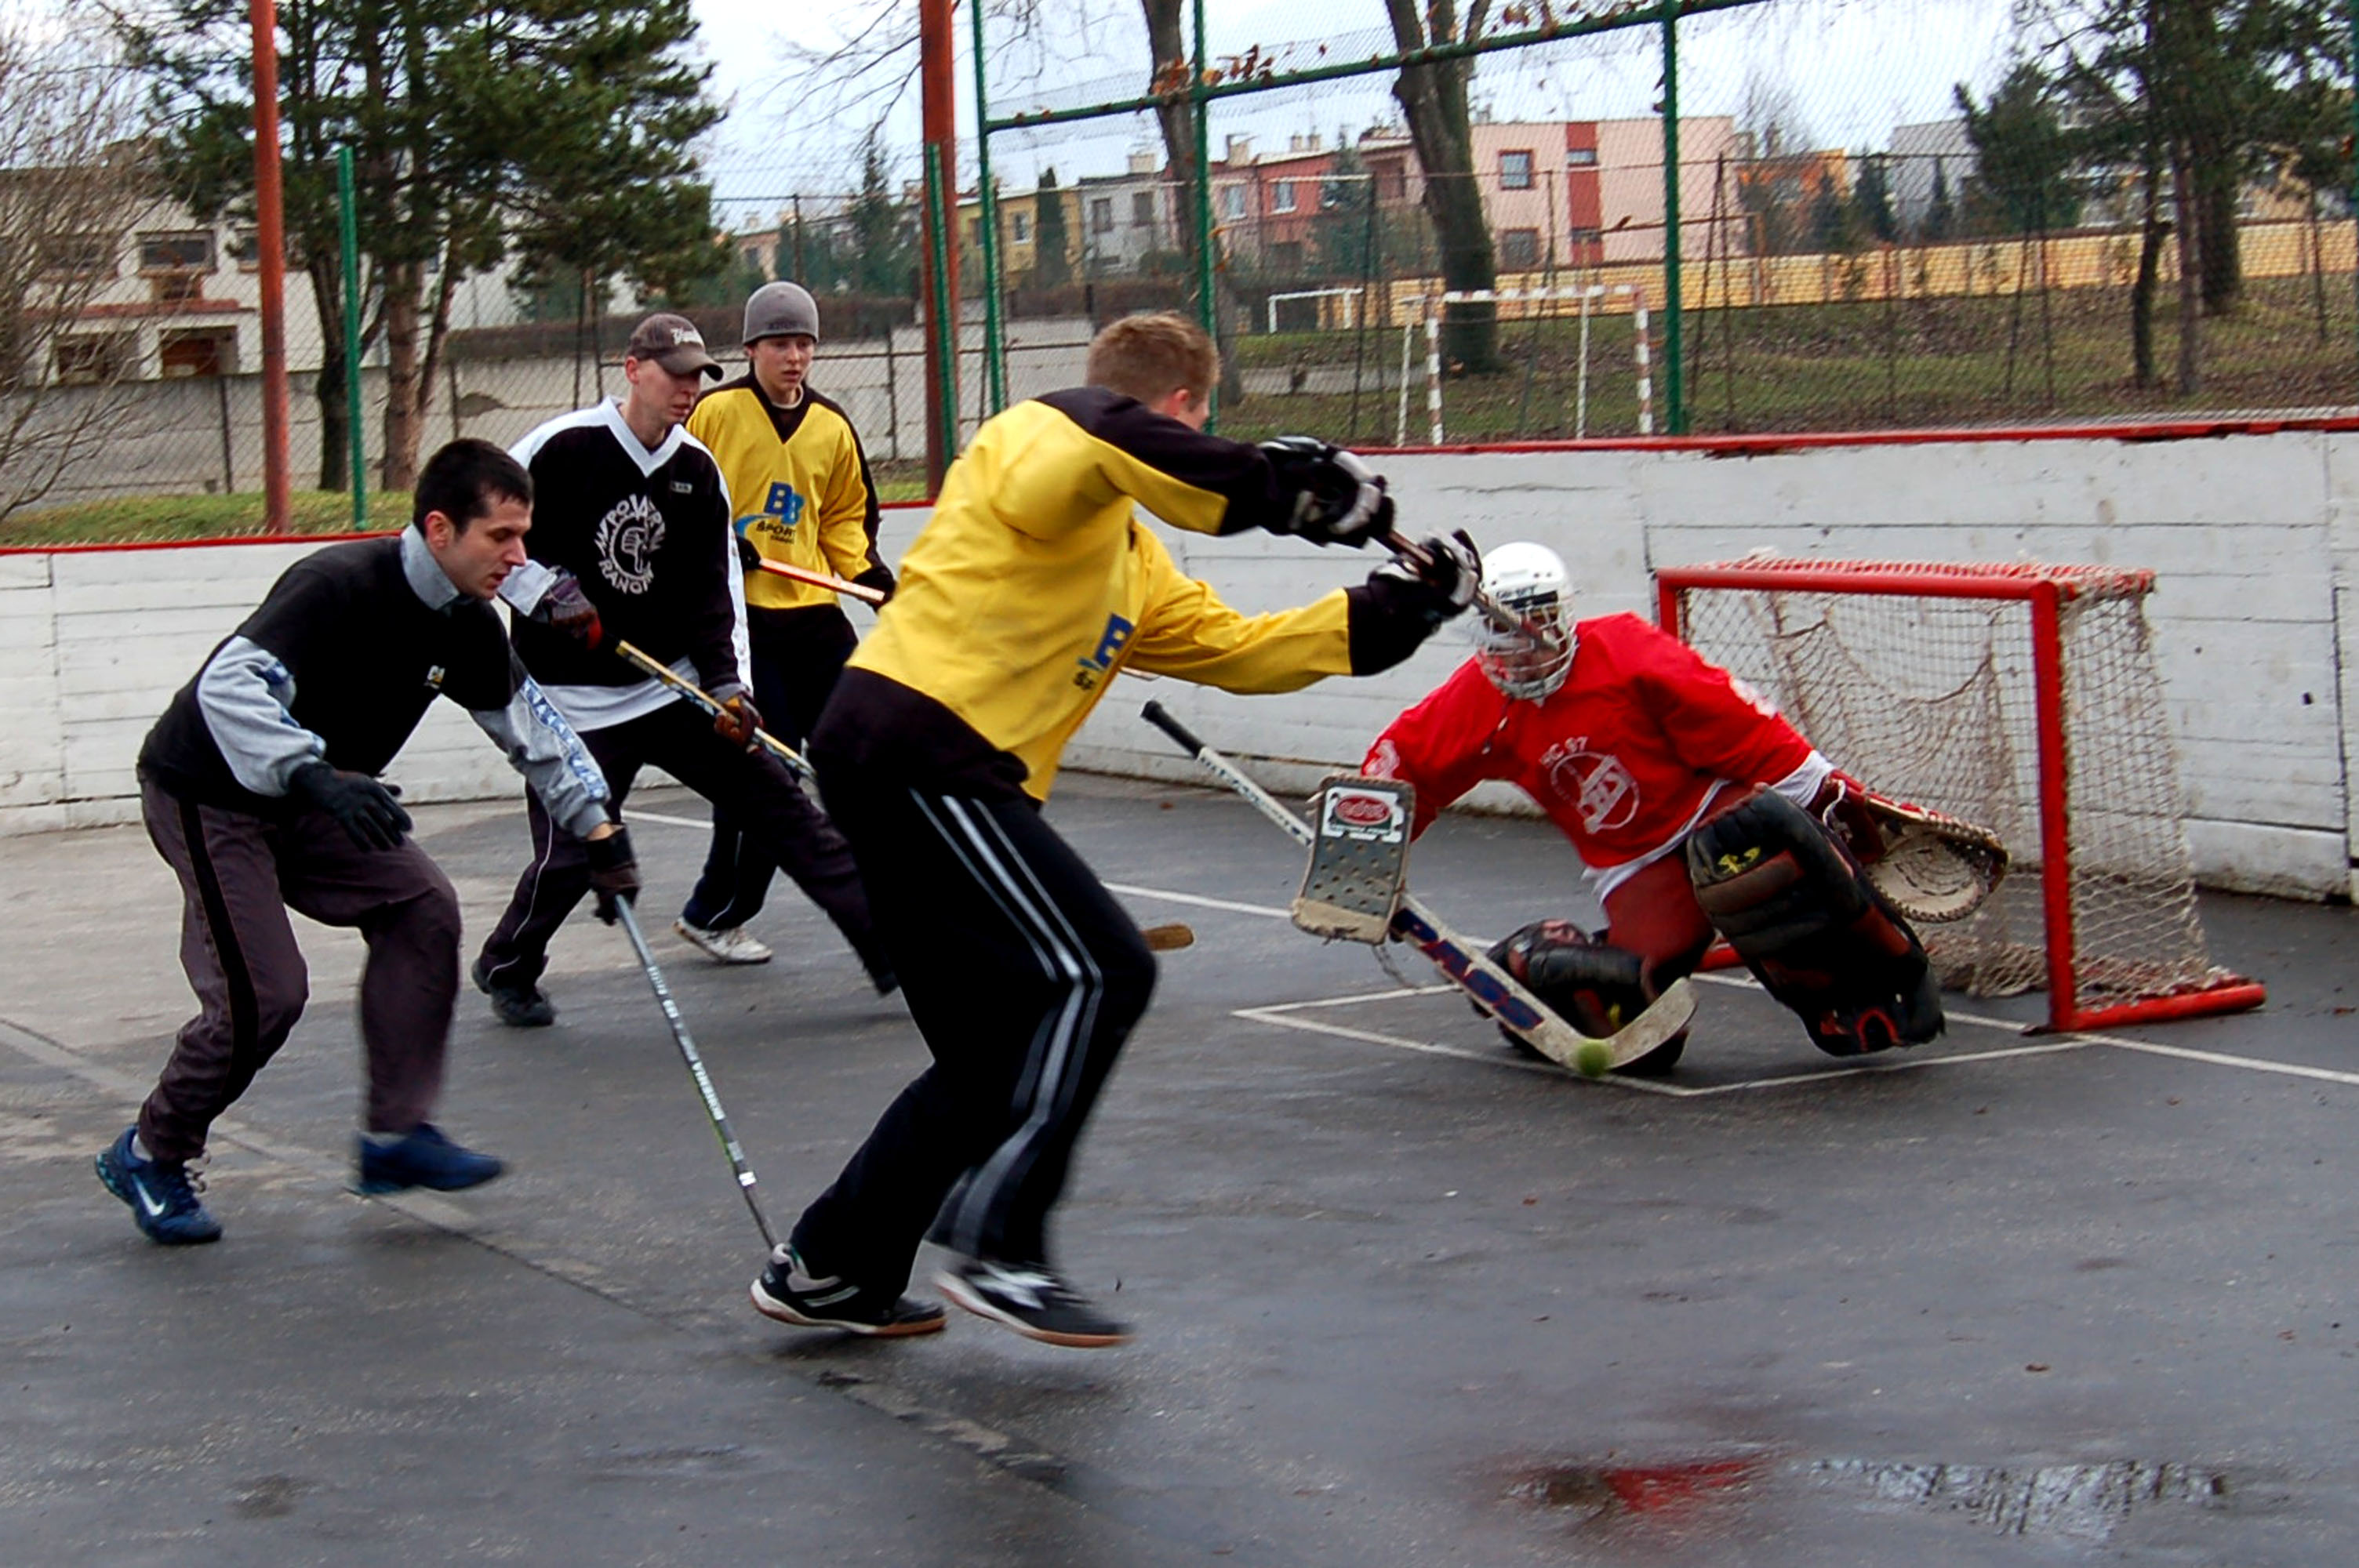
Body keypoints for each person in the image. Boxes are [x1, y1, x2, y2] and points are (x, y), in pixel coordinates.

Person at [749, 310, 1478, 1348]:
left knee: (992, 1059)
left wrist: (1402, 606)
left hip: (913, 768)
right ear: (1175, 408)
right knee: (1101, 973)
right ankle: (1003, 1242)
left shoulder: (1127, 558)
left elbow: (1242, 649)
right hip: (923, 749)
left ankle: (834, 1265)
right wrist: (1285, 490)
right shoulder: (1035, 438)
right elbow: (1105, 437)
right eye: (1199, 423)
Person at [98, 437, 637, 1245]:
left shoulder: (469, 625)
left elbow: (537, 734)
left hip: (320, 792)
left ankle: (394, 1136)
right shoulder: (337, 584)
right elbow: (229, 687)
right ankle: (151, 1149)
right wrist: (312, 774)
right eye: (501, 536)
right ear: (439, 528)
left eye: (524, 536)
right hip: (210, 791)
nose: (518, 556)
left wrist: (599, 830)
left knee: (424, 905)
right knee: (265, 995)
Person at [1361, 541, 1942, 1075]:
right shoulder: (1477, 702)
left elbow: (1743, 727)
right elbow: (1401, 766)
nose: (1523, 642)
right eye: (1502, 627)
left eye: (1535, 619)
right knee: (1629, 1017)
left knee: (1756, 844)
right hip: (1632, 861)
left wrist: (1826, 794)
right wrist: (1364, 865)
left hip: (1712, 812)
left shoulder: (1626, 650)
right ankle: (1531, 958)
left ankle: (1872, 981)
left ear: (1561, 614)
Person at [474, 313, 892, 1028]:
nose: (688, 389)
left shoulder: (698, 470)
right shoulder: (559, 448)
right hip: (573, 704)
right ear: (633, 369)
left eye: (698, 376)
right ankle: (508, 964)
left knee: (787, 812)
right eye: (675, 373)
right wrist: (540, 591)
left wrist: (730, 685)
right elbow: (488, 537)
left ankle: (896, 954)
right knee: (575, 856)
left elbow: (716, 590)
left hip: (670, 686)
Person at [674, 281, 896, 965]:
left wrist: (871, 579)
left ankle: (893, 913)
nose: (793, 357)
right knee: (768, 775)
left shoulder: (831, 426)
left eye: (803, 344)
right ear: (750, 350)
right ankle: (718, 911)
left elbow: (843, 519)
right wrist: (715, 539)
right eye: (778, 344)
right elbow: (671, 489)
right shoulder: (716, 412)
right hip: (742, 624)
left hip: (815, 619)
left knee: (862, 761)